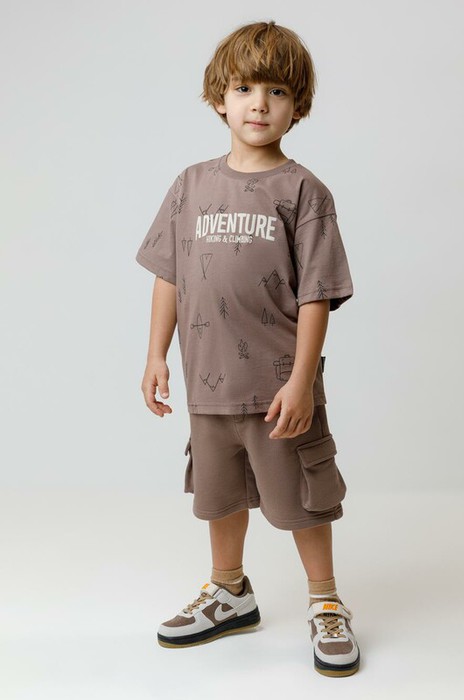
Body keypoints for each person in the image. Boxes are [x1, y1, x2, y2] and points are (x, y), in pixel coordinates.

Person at [135, 20, 360, 678]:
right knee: (221, 495)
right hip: (208, 384)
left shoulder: (303, 192)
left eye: (276, 91)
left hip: (279, 388)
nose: (259, 104)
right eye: (243, 88)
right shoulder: (190, 185)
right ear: (219, 99)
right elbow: (169, 275)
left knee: (302, 500)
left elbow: (317, 294)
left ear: (298, 106)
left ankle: (326, 601)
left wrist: (301, 381)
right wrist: (155, 355)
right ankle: (230, 592)